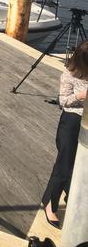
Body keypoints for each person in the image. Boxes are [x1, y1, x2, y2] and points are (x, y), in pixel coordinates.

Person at [41, 41, 87, 229]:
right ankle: (50, 203)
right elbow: (63, 102)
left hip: (86, 123)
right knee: (64, 165)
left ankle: (72, 195)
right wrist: (80, 96)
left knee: (81, 166)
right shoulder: (69, 74)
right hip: (71, 121)